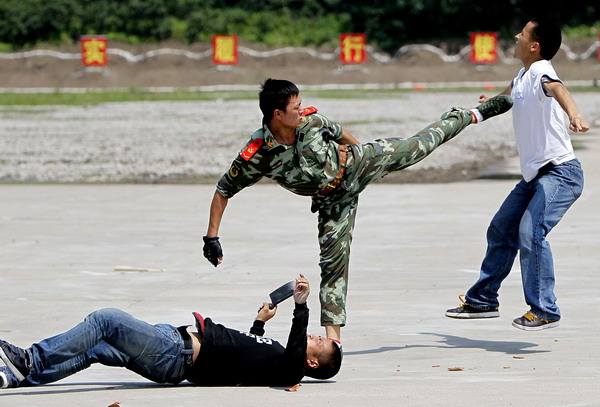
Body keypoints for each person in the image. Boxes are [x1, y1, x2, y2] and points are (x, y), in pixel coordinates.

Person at [203, 78, 513, 340]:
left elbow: (341, 134)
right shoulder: (258, 154)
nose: (301, 111)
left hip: (357, 165)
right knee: (332, 265)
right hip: (332, 201)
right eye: (295, 108)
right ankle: (332, 343)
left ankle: (471, 114)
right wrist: (211, 237)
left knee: (420, 146)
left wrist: (361, 153)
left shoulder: (311, 120)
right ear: (277, 114)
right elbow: (223, 190)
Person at [445, 17, 589, 330]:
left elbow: (558, 88)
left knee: (530, 232)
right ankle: (482, 300)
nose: (516, 36)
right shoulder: (524, 74)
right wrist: (489, 102)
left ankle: (544, 309)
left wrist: (574, 114)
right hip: (535, 176)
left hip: (560, 173)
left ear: (534, 46)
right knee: (501, 229)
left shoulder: (541, 71)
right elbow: (509, 96)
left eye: (522, 34)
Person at [0, 275, 342, 389]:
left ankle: (30, 360)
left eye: (319, 342)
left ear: (312, 363)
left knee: (105, 320)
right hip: (174, 342)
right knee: (96, 349)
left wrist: (301, 306)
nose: (313, 336)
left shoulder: (291, 368)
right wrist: (260, 323)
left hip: (174, 354)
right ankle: (15, 379)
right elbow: (245, 353)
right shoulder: (280, 360)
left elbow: (293, 354)